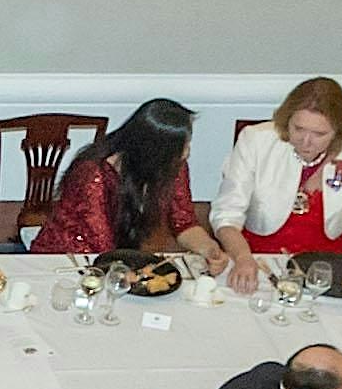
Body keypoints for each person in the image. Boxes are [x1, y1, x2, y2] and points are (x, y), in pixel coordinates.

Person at [222, 80, 342, 262]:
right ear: (287, 120)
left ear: (338, 132)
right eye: (298, 129)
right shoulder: (254, 140)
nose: (306, 141)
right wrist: (242, 257)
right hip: (261, 256)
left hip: (329, 261)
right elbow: (227, 215)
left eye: (319, 134)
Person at [38, 99, 217, 266]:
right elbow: (100, 243)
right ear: (155, 152)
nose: (186, 153)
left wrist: (208, 249)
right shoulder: (92, 173)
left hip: (118, 257)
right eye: (182, 146)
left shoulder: (172, 165)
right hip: (68, 259)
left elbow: (184, 221)